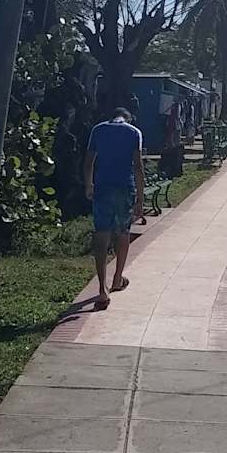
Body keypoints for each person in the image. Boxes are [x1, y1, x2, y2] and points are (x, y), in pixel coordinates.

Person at [84, 106, 145, 310]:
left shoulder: (98, 130)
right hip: (125, 188)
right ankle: (118, 277)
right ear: (128, 119)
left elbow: (89, 162)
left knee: (102, 235)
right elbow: (138, 166)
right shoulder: (134, 132)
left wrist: (88, 184)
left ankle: (102, 288)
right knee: (123, 233)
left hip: (102, 187)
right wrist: (140, 198)